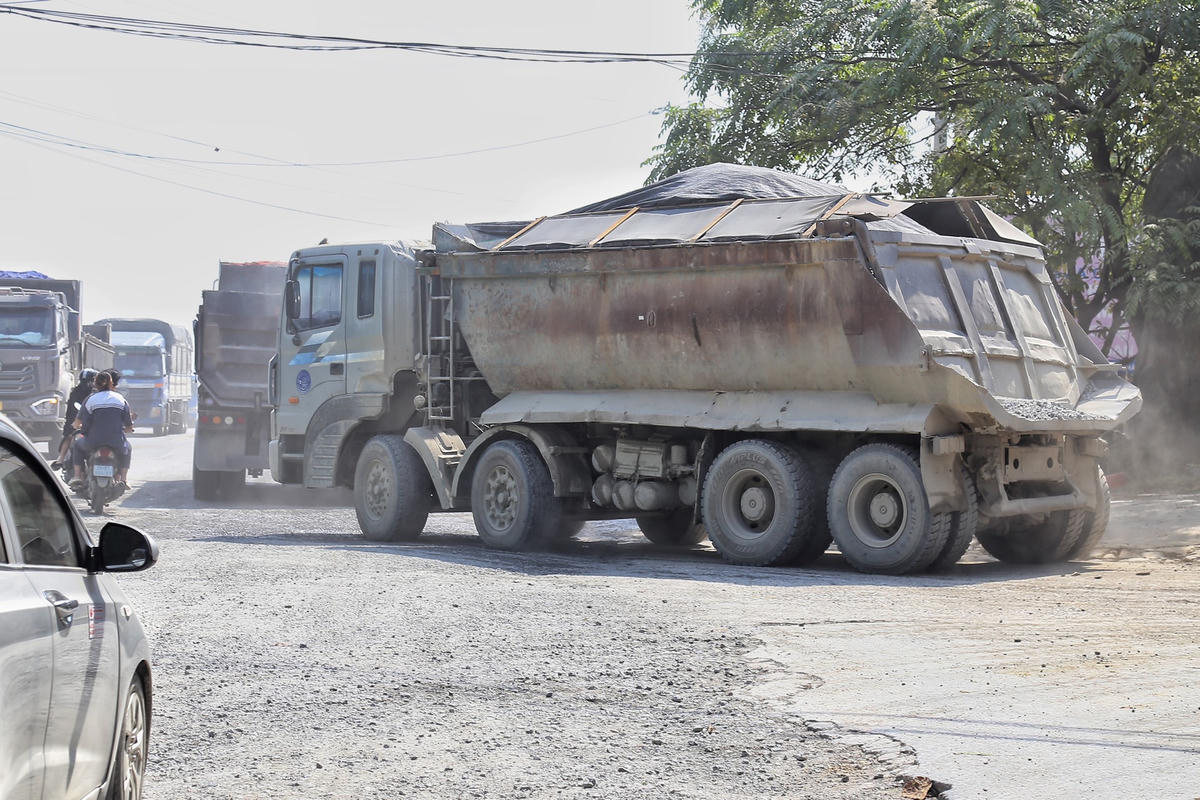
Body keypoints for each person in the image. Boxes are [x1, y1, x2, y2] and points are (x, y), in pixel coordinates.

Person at [71, 370, 134, 490]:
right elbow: (129, 425)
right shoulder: (121, 399)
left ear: (95, 384)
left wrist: (76, 426)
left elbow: (78, 421)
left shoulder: (90, 399)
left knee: (77, 446)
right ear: (111, 383)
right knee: (128, 448)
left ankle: (77, 476)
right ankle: (124, 479)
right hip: (116, 441)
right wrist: (128, 429)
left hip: (92, 441)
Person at [51, 367, 98, 470]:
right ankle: (61, 459)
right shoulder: (77, 391)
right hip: (76, 420)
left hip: (88, 421)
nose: (87, 383)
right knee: (69, 435)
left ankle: (61, 459)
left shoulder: (95, 392)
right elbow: (71, 409)